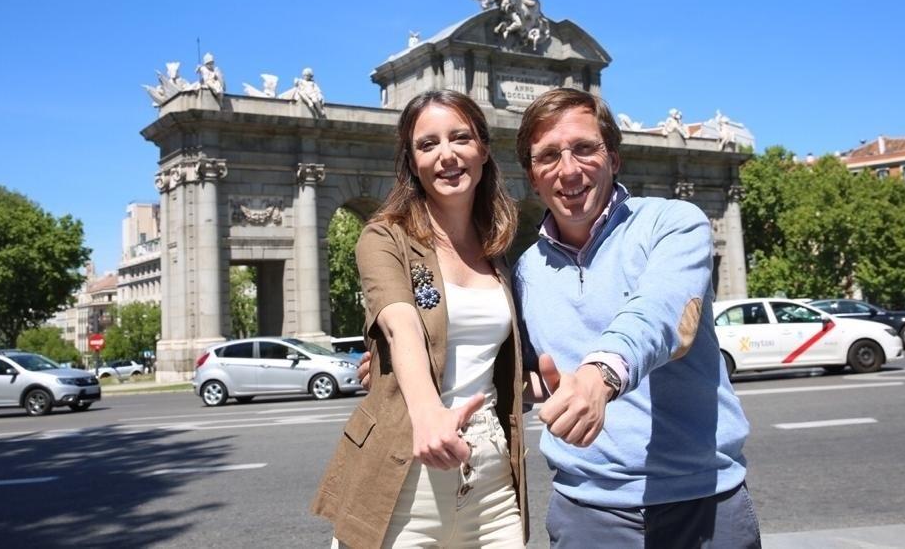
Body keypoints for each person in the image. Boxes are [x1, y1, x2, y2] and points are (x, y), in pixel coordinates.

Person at [513, 87, 760, 548]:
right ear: (532, 176)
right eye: (549, 156)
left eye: (584, 148)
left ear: (615, 159)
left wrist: (600, 374)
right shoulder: (525, 269)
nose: (568, 169)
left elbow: (662, 311)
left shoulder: (675, 223)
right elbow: (522, 372)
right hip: (585, 512)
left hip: (702, 503)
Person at [311, 89, 527, 548]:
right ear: (411, 161)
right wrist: (428, 412)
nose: (446, 155)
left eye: (460, 138)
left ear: (484, 149)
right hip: (405, 468)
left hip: (489, 477)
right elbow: (399, 322)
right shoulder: (384, 236)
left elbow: (499, 358)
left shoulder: (497, 250)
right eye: (427, 144)